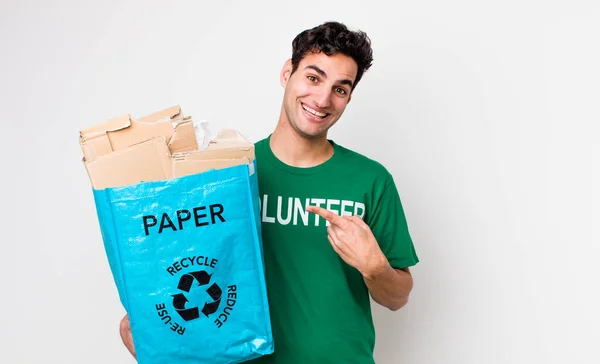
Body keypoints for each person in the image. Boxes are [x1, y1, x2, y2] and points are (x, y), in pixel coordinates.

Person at [120, 21, 419, 363]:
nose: (322, 99)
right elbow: (187, 265)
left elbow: (397, 298)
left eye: (340, 88)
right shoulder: (228, 175)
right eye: (313, 77)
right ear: (287, 73)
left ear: (349, 98)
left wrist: (375, 266)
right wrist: (158, 333)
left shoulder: (370, 180)